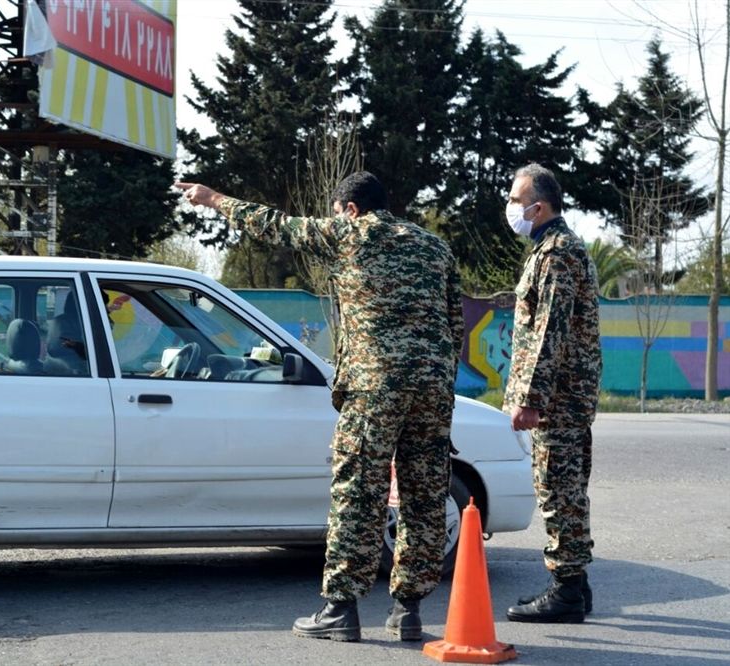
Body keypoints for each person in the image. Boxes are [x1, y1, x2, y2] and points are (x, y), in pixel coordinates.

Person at [176, 173, 463, 642]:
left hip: (376, 386)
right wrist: (437, 380)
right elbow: (455, 324)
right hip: (431, 387)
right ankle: (409, 610)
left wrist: (213, 199)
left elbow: (274, 224)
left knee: (360, 490)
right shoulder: (435, 247)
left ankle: (341, 609)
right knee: (425, 494)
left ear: (349, 209)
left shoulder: (350, 233)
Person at [501, 163, 602, 624]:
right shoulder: (553, 249)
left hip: (557, 400)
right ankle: (576, 588)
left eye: (516, 200)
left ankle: (565, 590)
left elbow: (549, 331)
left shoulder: (556, 253)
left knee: (558, 491)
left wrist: (530, 398)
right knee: (568, 489)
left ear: (538, 206)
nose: (512, 208)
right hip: (566, 396)